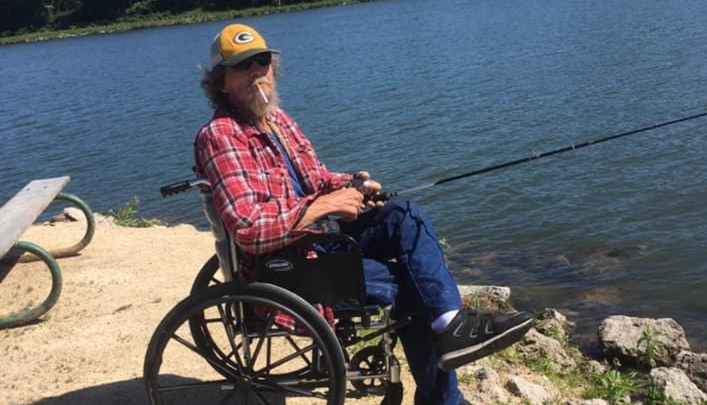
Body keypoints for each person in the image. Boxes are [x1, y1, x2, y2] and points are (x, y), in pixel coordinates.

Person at [193, 22, 533, 405]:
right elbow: (249, 228)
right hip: (288, 266)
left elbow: (317, 179)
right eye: (243, 66)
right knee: (413, 290)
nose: (257, 71)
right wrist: (325, 205)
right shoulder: (220, 136)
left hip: (319, 241)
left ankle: (450, 325)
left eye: (262, 61)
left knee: (404, 215)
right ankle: (444, 396)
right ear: (221, 82)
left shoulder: (279, 121)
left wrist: (352, 185)